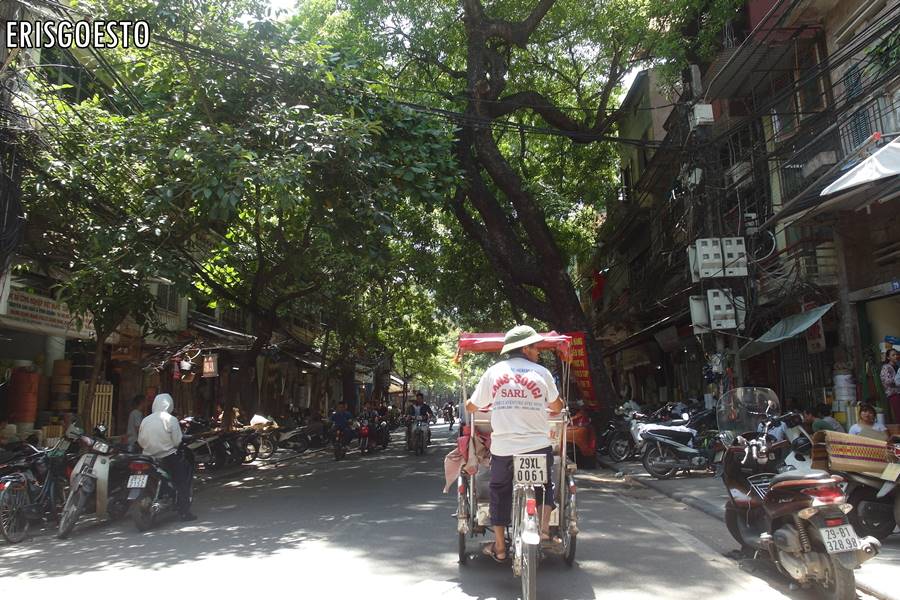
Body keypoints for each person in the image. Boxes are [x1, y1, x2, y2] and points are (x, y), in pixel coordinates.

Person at [466, 325, 564, 563]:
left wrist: (474, 403)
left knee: (499, 491)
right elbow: (557, 407)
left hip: (504, 448)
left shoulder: (494, 372)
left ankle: (500, 548)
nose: (538, 352)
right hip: (538, 445)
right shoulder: (542, 373)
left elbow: (472, 405)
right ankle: (543, 530)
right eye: (535, 347)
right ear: (526, 348)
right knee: (545, 485)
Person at [137, 393, 196, 521]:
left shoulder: (145, 420)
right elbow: (177, 441)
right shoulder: (171, 419)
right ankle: (184, 512)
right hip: (168, 456)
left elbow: (140, 440)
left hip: (147, 457)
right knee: (182, 482)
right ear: (169, 405)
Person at [881, 348, 900, 423]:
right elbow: (886, 381)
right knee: (898, 414)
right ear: (888, 357)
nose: (896, 356)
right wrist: (896, 381)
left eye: (897, 354)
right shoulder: (886, 367)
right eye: (893, 355)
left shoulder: (897, 367)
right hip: (893, 394)